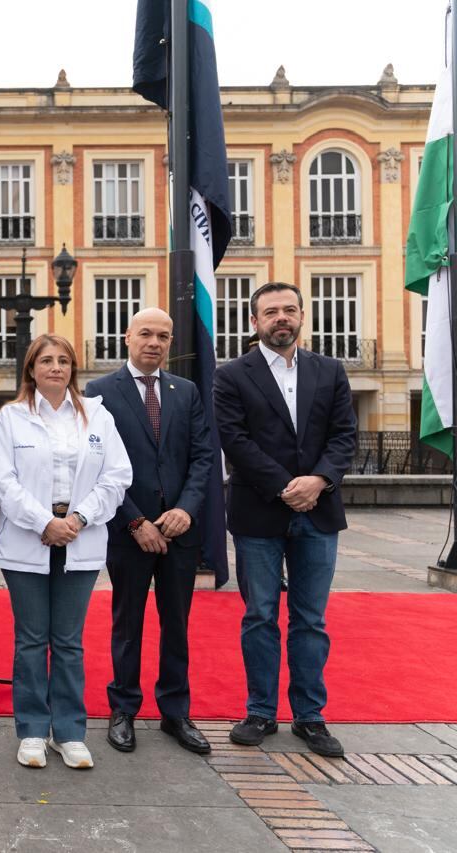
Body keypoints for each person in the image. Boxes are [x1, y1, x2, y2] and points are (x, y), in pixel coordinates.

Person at [214, 281, 356, 758]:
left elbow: (343, 436)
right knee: (259, 616)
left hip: (320, 512)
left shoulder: (330, 370)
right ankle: (260, 711)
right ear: (254, 322)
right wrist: (285, 486)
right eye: (271, 312)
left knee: (311, 619)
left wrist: (317, 481)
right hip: (259, 513)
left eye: (289, 310)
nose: (281, 318)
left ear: (301, 316)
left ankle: (311, 717)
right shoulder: (232, 375)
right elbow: (234, 440)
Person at [0, 335, 131, 770]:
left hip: (80, 537)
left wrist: (78, 519)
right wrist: (43, 522)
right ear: (31, 369)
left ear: (72, 369)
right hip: (27, 539)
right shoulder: (10, 418)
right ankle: (31, 730)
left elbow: (117, 476)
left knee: (68, 642)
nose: (55, 367)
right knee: (31, 641)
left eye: (63, 360)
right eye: (46, 360)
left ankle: (68, 732)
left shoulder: (98, 417)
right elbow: (0, 481)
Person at [83, 308, 214, 755]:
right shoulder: (99, 393)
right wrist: (135, 521)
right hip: (129, 531)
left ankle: (176, 712)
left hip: (180, 531)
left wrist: (186, 511)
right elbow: (96, 466)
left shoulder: (187, 391)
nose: (154, 343)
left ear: (171, 342)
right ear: (127, 337)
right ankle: (123, 710)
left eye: (163, 335)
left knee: (177, 623)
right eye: (145, 334)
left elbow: (203, 457)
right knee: (127, 622)